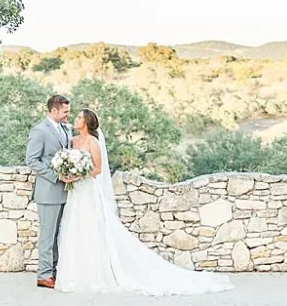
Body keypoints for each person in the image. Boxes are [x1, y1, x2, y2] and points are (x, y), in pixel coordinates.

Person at [54, 108, 235, 295]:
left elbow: (98, 169)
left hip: (88, 191)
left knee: (92, 231)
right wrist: (66, 173)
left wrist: (77, 176)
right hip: (76, 194)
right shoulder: (73, 141)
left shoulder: (94, 142)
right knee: (75, 228)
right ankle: (75, 276)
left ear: (87, 122)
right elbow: (68, 161)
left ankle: (97, 276)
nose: (75, 119)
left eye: (79, 117)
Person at [24, 94, 72, 289]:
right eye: (65, 111)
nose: (68, 115)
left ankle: (55, 271)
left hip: (64, 191)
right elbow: (31, 161)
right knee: (47, 236)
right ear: (53, 110)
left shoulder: (65, 129)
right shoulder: (39, 131)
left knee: (58, 236)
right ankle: (44, 275)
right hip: (48, 191)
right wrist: (56, 176)